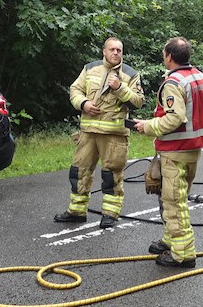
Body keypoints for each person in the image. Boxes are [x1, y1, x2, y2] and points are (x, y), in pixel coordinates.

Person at [132, 37, 203, 269]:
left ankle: (181, 254)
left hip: (175, 151)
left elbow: (175, 117)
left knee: (174, 203)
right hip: (192, 151)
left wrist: (147, 126)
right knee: (174, 197)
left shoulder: (173, 82)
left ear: (168, 56)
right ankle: (170, 239)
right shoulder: (200, 77)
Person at [54, 37, 145, 228]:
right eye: (112, 49)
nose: (115, 53)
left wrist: (120, 88)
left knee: (111, 175)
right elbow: (75, 90)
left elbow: (138, 102)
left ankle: (110, 214)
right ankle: (77, 211)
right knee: (79, 171)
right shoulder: (90, 68)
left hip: (114, 135)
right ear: (104, 51)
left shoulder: (130, 74)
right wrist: (83, 103)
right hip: (88, 132)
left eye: (119, 50)